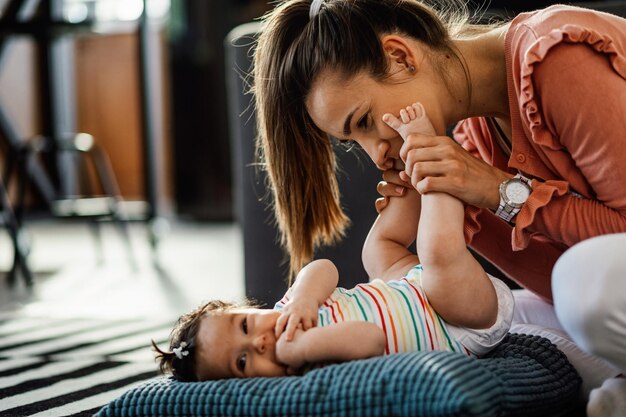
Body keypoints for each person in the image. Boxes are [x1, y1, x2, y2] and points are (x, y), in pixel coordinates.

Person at [252, 0, 625, 414]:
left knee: (583, 284)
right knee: (494, 325)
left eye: (364, 121)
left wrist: (495, 189)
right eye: (352, 141)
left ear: (399, 56)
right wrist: (417, 213)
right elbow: (432, 285)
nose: (376, 154)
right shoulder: (471, 143)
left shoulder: (555, 56)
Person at [153, 107, 513, 381]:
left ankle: (407, 171)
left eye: (246, 326)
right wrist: (304, 347)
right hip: (460, 322)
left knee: (377, 252)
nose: (260, 342)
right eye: (243, 361)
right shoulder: (310, 370)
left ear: (250, 308)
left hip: (411, 287)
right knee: (436, 252)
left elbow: (324, 268)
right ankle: (433, 162)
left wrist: (305, 299)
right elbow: (370, 338)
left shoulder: (291, 305)